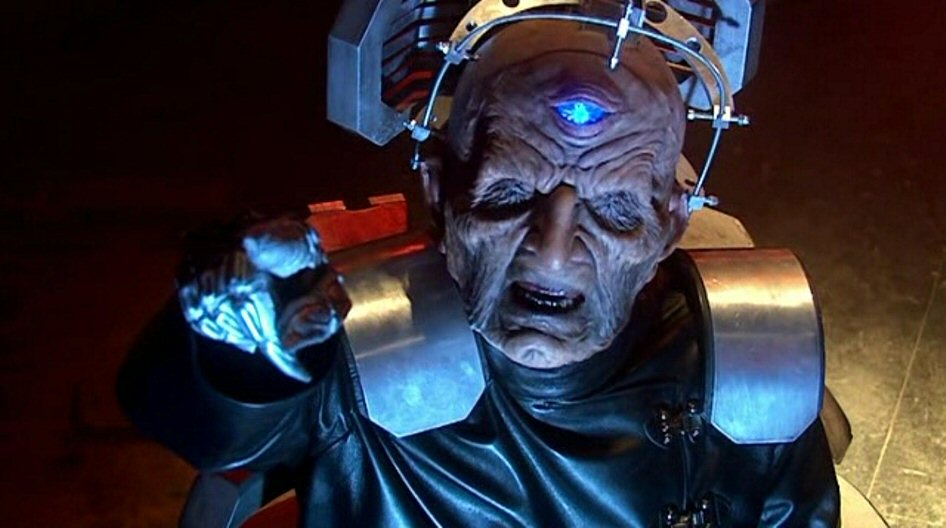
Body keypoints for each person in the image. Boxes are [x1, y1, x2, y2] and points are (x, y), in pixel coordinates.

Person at [119, 21, 840, 527]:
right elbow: (201, 429)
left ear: (669, 225)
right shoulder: (368, 340)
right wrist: (243, 353)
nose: (551, 253)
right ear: (439, 193)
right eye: (509, 194)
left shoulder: (747, 361)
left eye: (615, 210)